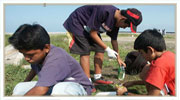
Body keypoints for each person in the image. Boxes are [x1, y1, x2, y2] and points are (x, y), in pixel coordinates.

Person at [63, 5, 142, 84]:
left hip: (90, 28)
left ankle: (98, 77)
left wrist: (118, 57)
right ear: (123, 19)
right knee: (85, 51)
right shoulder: (104, 11)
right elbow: (93, 33)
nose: (124, 28)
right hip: (78, 22)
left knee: (100, 49)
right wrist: (108, 49)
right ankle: (86, 81)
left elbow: (114, 40)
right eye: (126, 26)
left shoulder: (116, 22)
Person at [9, 24, 93, 96]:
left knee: (61, 90)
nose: (26, 58)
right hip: (54, 85)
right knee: (20, 88)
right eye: (24, 54)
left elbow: (42, 90)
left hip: (77, 87)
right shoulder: (36, 57)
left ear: (46, 48)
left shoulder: (56, 57)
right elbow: (34, 69)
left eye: (30, 55)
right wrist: (26, 82)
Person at [116, 29, 175, 96]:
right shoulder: (170, 55)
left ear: (150, 50)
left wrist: (125, 93)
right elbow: (155, 81)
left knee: (147, 71)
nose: (141, 56)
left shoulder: (158, 66)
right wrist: (133, 83)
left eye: (141, 53)